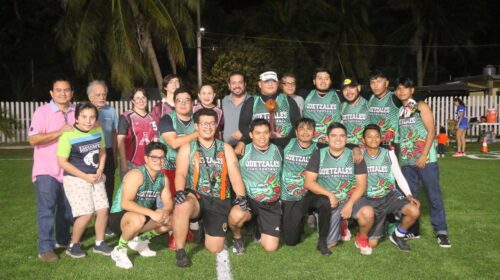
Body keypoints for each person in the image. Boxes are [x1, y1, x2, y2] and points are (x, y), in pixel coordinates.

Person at [172, 108, 250, 267]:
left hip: (219, 199)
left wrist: (241, 197)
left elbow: (235, 177)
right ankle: (180, 252)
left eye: (211, 123)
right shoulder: (187, 148)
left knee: (215, 248)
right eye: (203, 123)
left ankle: (209, 227)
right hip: (197, 196)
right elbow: (180, 173)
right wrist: (180, 191)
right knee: (181, 206)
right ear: (196, 126)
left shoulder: (226, 148)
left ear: (216, 126)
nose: (208, 127)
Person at [395, 77, 451, 248]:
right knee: (411, 198)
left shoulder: (421, 106)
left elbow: (431, 130)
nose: (401, 91)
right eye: (398, 89)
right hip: (407, 162)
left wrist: (423, 154)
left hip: (425, 160)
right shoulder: (400, 112)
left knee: (433, 196)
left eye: (406, 88)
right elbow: (401, 138)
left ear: (412, 90)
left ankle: (441, 232)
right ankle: (414, 229)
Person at [304, 123, 374, 255]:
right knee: (330, 244)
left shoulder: (355, 156)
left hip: (351, 198)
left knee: (368, 213)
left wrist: (350, 204)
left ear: (346, 139)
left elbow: (361, 185)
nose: (338, 139)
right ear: (327, 138)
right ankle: (340, 223)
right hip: (331, 202)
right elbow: (309, 182)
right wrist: (329, 194)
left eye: (342, 136)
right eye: (334, 135)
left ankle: (361, 237)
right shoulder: (319, 155)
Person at [57, 102, 113, 258]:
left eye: (92, 117)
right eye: (84, 117)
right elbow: (62, 162)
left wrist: (100, 169)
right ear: (76, 118)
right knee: (86, 213)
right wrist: (85, 177)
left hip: (96, 177)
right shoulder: (68, 135)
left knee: (102, 209)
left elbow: (102, 151)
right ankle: (73, 245)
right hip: (76, 179)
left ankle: (99, 243)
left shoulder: (97, 130)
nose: (88, 121)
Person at [28, 78, 75, 262]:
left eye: (66, 90)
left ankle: (62, 240)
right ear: (51, 93)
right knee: (46, 209)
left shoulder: (76, 111)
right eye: (58, 90)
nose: (63, 93)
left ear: (71, 92)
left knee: (67, 209)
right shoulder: (42, 112)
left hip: (69, 168)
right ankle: (45, 248)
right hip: (46, 169)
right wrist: (59, 132)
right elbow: (33, 139)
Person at [109, 142, 173, 269]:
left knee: (171, 220)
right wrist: (152, 213)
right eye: (154, 157)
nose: (159, 161)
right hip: (120, 216)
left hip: (143, 214)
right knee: (139, 219)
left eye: (162, 157)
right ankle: (119, 250)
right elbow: (125, 203)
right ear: (146, 159)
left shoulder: (163, 178)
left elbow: (169, 201)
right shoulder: (136, 175)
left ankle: (138, 240)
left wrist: (164, 211)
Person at [360, 124, 420, 252]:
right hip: (370, 199)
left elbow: (398, 175)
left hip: (389, 195)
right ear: (363, 140)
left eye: (377, 136)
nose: (373, 139)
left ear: (381, 138)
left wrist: (408, 194)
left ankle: (398, 235)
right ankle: (382, 224)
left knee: (414, 211)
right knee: (372, 244)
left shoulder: (389, 153)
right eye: (369, 137)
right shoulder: (359, 155)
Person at [280, 118, 333, 256]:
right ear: (296, 132)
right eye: (301, 128)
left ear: (314, 133)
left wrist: (356, 149)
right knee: (291, 241)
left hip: (309, 193)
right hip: (289, 194)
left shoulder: (320, 148)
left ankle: (322, 241)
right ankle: (300, 221)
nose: (305, 132)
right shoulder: (286, 143)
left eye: (309, 129)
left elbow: (344, 146)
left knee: (325, 202)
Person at [230, 118, 283, 253]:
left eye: (265, 132)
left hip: (270, 203)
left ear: (270, 134)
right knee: (236, 217)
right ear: (251, 135)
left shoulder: (279, 151)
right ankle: (237, 237)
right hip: (249, 200)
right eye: (258, 133)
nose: (262, 136)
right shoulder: (241, 151)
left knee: (270, 248)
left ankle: (258, 227)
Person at [158, 87, 198, 248]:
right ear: (174, 103)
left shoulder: (198, 119)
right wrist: (198, 133)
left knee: (190, 200)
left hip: (192, 167)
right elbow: (173, 143)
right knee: (170, 201)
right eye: (179, 100)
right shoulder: (167, 119)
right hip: (170, 167)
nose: (183, 104)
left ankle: (189, 228)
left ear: (192, 103)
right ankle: (172, 233)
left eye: (186, 100)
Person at [237, 70, 301, 151]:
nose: (270, 84)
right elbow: (243, 126)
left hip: (285, 146)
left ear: (277, 83)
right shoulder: (252, 102)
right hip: (259, 147)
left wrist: (286, 140)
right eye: (266, 81)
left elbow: (297, 124)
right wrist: (257, 139)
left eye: (273, 81)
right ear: (260, 84)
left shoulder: (288, 100)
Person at [87, 80, 118, 236]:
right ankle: (83, 224)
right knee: (88, 192)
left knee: (108, 189)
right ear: (90, 96)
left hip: (108, 154)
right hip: (89, 155)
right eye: (98, 94)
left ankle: (104, 225)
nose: (102, 97)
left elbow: (113, 133)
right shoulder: (84, 111)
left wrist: (115, 155)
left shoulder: (111, 111)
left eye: (104, 94)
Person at [117, 88, 158, 177]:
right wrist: (124, 162)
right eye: (138, 98)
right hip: (131, 162)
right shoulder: (126, 117)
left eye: (143, 97)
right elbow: (120, 141)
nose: (141, 100)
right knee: (131, 190)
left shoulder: (153, 117)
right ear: (133, 101)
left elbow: (156, 140)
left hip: (149, 162)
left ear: (147, 99)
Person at [303, 68, 342, 143]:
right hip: (310, 141)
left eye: (326, 78)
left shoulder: (339, 95)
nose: (323, 81)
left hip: (333, 141)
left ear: (330, 81)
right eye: (320, 78)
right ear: (314, 81)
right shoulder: (305, 94)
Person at [367, 70, 402, 149]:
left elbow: (412, 104)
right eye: (372, 82)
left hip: (392, 144)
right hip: (374, 143)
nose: (375, 85)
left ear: (386, 83)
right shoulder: (371, 98)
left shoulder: (394, 97)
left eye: (379, 81)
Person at [221, 72, 250, 147]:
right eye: (234, 83)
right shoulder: (224, 101)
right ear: (229, 86)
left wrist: (245, 134)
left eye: (240, 82)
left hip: (247, 145)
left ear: (245, 84)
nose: (237, 86)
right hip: (227, 147)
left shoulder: (253, 101)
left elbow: (258, 123)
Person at [340, 78, 370, 146]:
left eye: (351, 87)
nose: (348, 92)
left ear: (358, 88)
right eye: (345, 89)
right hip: (347, 148)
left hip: (364, 149)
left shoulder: (369, 105)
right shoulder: (342, 107)